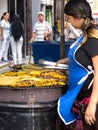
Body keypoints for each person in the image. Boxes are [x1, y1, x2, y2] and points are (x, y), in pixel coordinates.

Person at [56, 0, 98, 130]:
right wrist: (64, 61)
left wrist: (92, 105)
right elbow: (82, 56)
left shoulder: (92, 39)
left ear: (78, 17)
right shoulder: (84, 36)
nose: (69, 22)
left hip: (89, 99)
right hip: (80, 95)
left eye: (69, 18)